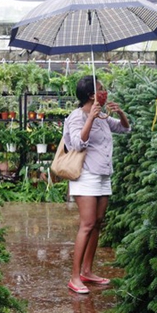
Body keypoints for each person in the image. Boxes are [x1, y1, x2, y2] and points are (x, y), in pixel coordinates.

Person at [63, 75, 131, 294]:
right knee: (87, 223)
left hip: (103, 175)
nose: (105, 92)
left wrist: (120, 113)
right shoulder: (77, 116)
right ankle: (74, 277)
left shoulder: (102, 116)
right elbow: (76, 143)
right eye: (102, 89)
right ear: (92, 95)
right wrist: (90, 118)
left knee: (98, 223)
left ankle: (87, 271)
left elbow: (124, 129)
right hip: (86, 175)